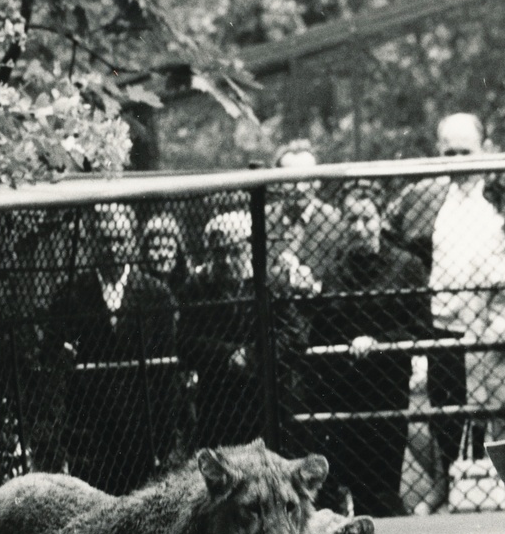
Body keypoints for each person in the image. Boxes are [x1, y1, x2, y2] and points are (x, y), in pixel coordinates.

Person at [384, 113, 505, 509]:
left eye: (465, 152)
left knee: (496, 415)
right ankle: (447, 486)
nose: (457, 161)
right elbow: (390, 238)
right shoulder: (426, 197)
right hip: (442, 327)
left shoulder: (501, 195)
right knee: (444, 417)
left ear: (485, 150)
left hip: (493, 327)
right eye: (449, 152)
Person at [38, 202, 188, 495]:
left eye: (120, 240)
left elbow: (167, 375)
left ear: (132, 241)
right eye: (105, 240)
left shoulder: (157, 296)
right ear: (92, 241)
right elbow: (51, 360)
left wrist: (163, 439)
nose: (113, 248)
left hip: (140, 432)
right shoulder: (70, 295)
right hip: (89, 434)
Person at [308, 190, 430, 516]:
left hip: (389, 383)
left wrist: (379, 341)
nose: (359, 227)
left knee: (385, 474)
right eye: (351, 219)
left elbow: (420, 325)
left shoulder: (407, 266)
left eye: (367, 218)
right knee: (356, 478)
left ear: (380, 220)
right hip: (347, 388)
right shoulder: (335, 271)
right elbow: (324, 328)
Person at [177, 210, 311, 450]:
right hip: (219, 402)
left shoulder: (270, 282)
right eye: (219, 253)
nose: (227, 261)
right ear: (209, 253)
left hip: (266, 401)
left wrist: (254, 356)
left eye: (235, 251)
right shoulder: (195, 287)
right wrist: (229, 354)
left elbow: (296, 334)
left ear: (248, 249)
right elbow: (185, 341)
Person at [266, 140, 347, 293]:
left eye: (306, 178)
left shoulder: (333, 221)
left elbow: (337, 273)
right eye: (290, 180)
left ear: (317, 182)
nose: (299, 188)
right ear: (277, 183)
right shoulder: (264, 219)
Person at [138, 212, 190, 291]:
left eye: (170, 248)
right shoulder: (139, 288)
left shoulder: (188, 287)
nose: (163, 254)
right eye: (156, 248)